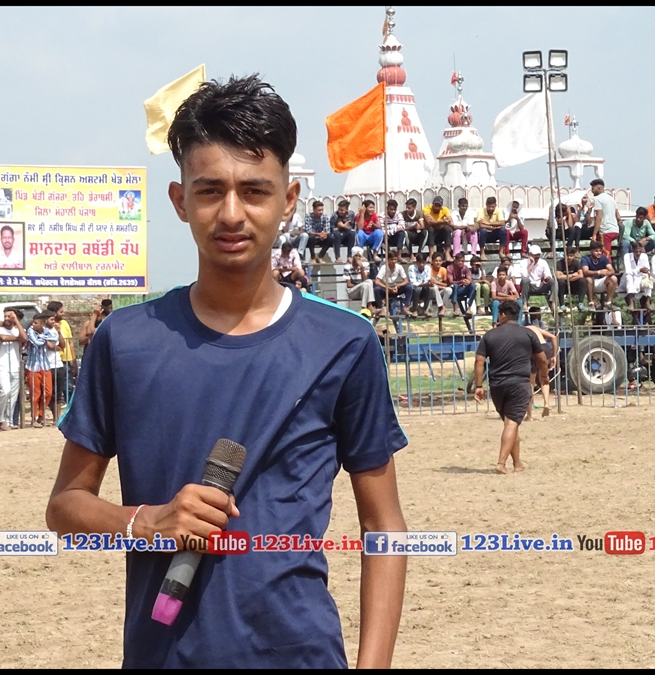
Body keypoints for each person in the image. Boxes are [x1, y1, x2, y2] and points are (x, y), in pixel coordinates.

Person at [45, 74, 407, 669]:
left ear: (288, 200)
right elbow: (65, 508)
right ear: (179, 200)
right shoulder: (126, 341)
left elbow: (384, 525)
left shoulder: (344, 343)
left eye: (255, 191)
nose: (232, 213)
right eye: (210, 190)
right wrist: (147, 522)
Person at [473, 301, 546, 474]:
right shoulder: (528, 334)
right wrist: (544, 376)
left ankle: (517, 463)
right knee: (512, 423)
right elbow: (542, 359)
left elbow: (479, 361)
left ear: (503, 315)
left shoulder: (489, 335)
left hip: (497, 386)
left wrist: (479, 386)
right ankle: (501, 463)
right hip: (519, 384)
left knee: (510, 423)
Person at [523, 307, 559, 420]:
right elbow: (553, 337)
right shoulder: (535, 328)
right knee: (544, 379)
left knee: (530, 383)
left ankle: (529, 415)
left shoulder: (522, 329)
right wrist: (554, 355)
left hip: (533, 350)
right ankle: (546, 404)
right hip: (545, 348)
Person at [25, 312, 58, 427]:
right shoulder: (30, 331)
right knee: (35, 394)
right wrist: (45, 338)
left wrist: (42, 337)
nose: (33, 325)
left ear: (42, 324)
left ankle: (41, 415)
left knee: (48, 393)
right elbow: (36, 342)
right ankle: (34, 417)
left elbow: (55, 339)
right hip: (33, 366)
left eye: (36, 323)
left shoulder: (46, 331)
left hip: (45, 366)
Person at [0, 308, 26, 430]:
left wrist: (16, 321)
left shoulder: (18, 329)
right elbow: (2, 338)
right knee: (5, 391)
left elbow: (24, 338)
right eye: (5, 316)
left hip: (15, 365)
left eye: (10, 317)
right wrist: (16, 338)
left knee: (13, 394)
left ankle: (8, 420)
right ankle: (1, 418)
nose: (7, 319)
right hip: (3, 365)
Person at [47, 300, 78, 410]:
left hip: (66, 359)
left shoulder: (64, 323)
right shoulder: (48, 326)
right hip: (56, 361)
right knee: (57, 388)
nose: (63, 314)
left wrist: (73, 359)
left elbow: (70, 342)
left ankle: (71, 408)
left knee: (68, 386)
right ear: (54, 313)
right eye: (61, 312)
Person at [619, 240, 654, 323]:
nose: (638, 253)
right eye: (636, 251)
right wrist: (639, 270)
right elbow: (628, 271)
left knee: (648, 277)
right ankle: (631, 303)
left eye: (640, 251)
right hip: (629, 278)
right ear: (632, 250)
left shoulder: (644, 256)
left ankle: (647, 302)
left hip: (640, 277)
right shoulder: (627, 256)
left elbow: (647, 268)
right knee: (629, 278)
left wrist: (646, 272)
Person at [589, 179, 621, 258]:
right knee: (606, 252)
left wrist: (594, 234)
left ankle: (608, 266)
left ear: (599, 188)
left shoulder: (597, 199)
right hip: (615, 230)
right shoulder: (611, 199)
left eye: (593, 188)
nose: (592, 191)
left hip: (606, 230)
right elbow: (618, 217)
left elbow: (599, 217)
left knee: (605, 254)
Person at [581, 241, 619, 307]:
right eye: (596, 251)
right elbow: (585, 272)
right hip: (590, 284)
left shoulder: (604, 258)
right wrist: (599, 272)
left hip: (601, 282)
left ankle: (608, 303)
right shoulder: (585, 259)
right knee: (589, 279)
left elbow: (612, 271)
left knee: (613, 278)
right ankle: (591, 303)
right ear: (591, 251)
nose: (599, 253)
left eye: (600, 251)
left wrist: (607, 272)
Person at [521, 245, 557, 313]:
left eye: (538, 255)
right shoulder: (524, 262)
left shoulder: (543, 262)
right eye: (535, 255)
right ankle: (524, 304)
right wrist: (532, 263)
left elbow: (548, 274)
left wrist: (547, 277)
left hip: (540, 285)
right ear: (530, 255)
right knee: (525, 280)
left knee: (553, 281)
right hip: (529, 286)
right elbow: (524, 275)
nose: (537, 257)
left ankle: (553, 303)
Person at [407, 253, 434, 317]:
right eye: (420, 263)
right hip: (413, 289)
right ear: (416, 262)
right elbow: (413, 282)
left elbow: (427, 279)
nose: (421, 265)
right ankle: (415, 310)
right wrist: (424, 284)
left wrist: (427, 284)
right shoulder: (411, 268)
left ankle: (425, 309)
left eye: (423, 263)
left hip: (424, 289)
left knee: (428, 289)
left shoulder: (428, 268)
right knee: (418, 289)